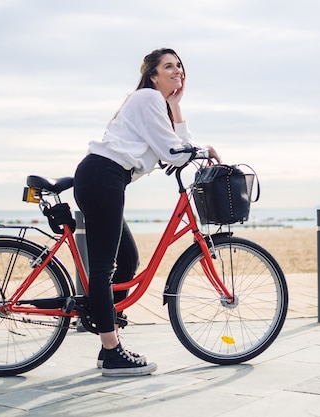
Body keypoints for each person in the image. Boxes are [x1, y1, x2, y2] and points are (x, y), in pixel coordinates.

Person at [73, 48, 221, 377]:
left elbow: (177, 147)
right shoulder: (147, 98)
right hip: (103, 177)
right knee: (102, 268)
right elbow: (174, 151)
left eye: (180, 66)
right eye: (169, 66)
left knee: (127, 260)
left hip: (104, 178)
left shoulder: (158, 104)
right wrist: (204, 150)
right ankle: (112, 353)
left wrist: (177, 106)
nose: (178, 70)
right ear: (153, 75)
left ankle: (109, 340)